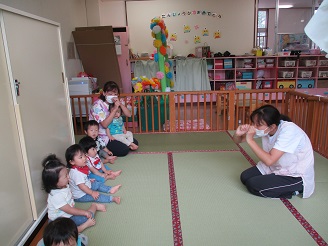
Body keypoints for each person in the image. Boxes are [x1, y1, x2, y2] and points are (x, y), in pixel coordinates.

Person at [232, 104, 315, 199]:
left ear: (272, 127)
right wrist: (238, 134)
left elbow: (269, 160)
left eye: (258, 125)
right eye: (253, 123)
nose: (254, 127)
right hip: (275, 166)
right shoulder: (267, 128)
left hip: (295, 175)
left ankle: (295, 190)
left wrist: (250, 140)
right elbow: (238, 140)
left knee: (253, 185)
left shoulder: (289, 131)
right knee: (245, 177)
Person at [41, 154, 106, 233]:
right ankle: (85, 224)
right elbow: (70, 210)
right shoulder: (56, 196)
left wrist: (85, 213)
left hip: (69, 216)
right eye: (66, 176)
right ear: (55, 181)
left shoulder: (64, 185)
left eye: (67, 174)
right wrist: (84, 212)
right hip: (58, 222)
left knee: (88, 217)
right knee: (66, 234)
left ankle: (94, 206)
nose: (68, 177)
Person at [89, 81, 139, 156]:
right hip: (104, 136)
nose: (113, 96)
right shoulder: (97, 105)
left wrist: (120, 104)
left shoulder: (114, 103)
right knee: (123, 150)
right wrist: (115, 109)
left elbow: (129, 114)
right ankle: (104, 149)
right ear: (104, 93)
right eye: (110, 94)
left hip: (117, 133)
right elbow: (105, 125)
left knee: (135, 142)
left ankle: (128, 145)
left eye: (115, 94)